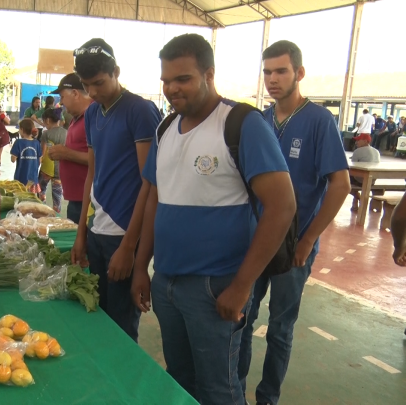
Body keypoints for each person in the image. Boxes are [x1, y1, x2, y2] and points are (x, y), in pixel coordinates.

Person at [131, 34, 296, 405]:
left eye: (183, 79)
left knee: (219, 388)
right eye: (166, 81)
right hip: (168, 282)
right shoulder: (165, 129)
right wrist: (142, 266)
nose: (172, 88)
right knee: (180, 379)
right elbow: (155, 198)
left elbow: (282, 206)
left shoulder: (240, 123)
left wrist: (241, 286)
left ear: (209, 74)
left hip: (216, 286)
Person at [238, 40, 351, 405]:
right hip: (256, 239)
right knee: (242, 318)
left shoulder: (319, 121)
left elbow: (340, 184)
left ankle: (267, 398)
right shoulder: (259, 119)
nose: (272, 79)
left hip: (294, 246)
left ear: (299, 74)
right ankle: (233, 390)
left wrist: (307, 240)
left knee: (280, 329)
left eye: (281, 71)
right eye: (267, 72)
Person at [70, 38, 161, 342]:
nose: (93, 92)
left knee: (121, 327)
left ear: (116, 72)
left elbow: (150, 184)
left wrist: (129, 247)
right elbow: (91, 175)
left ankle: (123, 388)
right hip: (97, 232)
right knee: (98, 318)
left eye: (98, 83)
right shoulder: (94, 113)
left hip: (124, 235)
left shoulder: (141, 111)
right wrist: (82, 231)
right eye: (86, 85)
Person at [49, 73, 93, 223]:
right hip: (76, 199)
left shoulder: (94, 117)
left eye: (62, 97)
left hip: (87, 202)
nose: (61, 103)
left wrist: (66, 153)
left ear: (75, 93)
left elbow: (101, 159)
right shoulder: (77, 117)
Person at [38, 108, 67, 213]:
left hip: (47, 169)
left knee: (41, 190)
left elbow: (42, 151)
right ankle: (56, 216)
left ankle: (42, 211)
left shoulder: (46, 134)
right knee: (57, 196)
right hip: (60, 169)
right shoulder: (66, 133)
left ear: (48, 120)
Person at [348, 134, 380, 211]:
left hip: (361, 180)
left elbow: (353, 167)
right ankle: (355, 204)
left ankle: (357, 197)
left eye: (359, 140)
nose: (356, 142)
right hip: (372, 180)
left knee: (343, 180)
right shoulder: (376, 151)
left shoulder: (358, 151)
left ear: (366, 141)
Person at [10, 118, 42, 186]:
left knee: (21, 195)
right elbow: (40, 160)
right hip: (33, 178)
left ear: (22, 129)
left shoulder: (18, 142)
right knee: (31, 196)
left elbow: (13, 159)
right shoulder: (37, 143)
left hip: (21, 178)